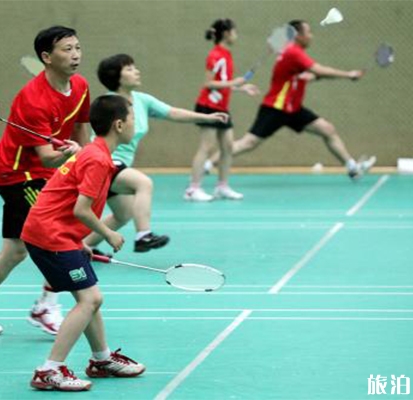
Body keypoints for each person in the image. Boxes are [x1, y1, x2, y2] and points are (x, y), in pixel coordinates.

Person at [0, 26, 89, 336]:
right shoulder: (33, 99)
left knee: (14, 251)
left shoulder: (80, 87)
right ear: (46, 57)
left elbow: (80, 131)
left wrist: (84, 159)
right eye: (67, 49)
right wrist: (69, 154)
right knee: (58, 233)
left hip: (46, 171)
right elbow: (48, 156)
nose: (75, 54)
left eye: (77, 47)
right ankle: (46, 307)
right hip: (17, 174)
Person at [23, 94, 145, 392]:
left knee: (88, 298)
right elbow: (80, 209)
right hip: (50, 235)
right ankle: (49, 370)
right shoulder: (98, 159)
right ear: (118, 124)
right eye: (132, 118)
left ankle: (101, 360)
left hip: (54, 232)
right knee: (90, 299)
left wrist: (79, 239)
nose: (134, 124)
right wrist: (108, 233)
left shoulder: (93, 152)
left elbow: (67, 205)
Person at [83, 54, 229, 254]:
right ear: (116, 76)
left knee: (123, 214)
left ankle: (83, 247)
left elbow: (173, 113)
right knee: (143, 183)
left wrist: (206, 117)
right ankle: (144, 235)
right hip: (103, 161)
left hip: (119, 165)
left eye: (135, 67)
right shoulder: (109, 104)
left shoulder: (142, 100)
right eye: (129, 69)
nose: (137, 71)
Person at [204, 20, 376, 180]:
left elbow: (308, 75)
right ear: (298, 36)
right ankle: (208, 163)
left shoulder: (291, 52)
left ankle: (351, 167)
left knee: (327, 129)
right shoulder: (293, 52)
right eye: (308, 32)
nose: (311, 36)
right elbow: (318, 69)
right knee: (248, 143)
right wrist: (348, 75)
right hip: (275, 108)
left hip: (293, 109)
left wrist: (316, 77)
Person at [185, 18, 260, 202]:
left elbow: (223, 82)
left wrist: (241, 88)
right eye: (234, 31)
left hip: (222, 107)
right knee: (207, 147)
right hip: (208, 106)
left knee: (227, 147)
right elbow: (208, 83)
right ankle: (192, 189)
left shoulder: (226, 54)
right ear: (226, 34)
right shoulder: (215, 55)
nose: (236, 35)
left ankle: (222, 187)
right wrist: (235, 82)